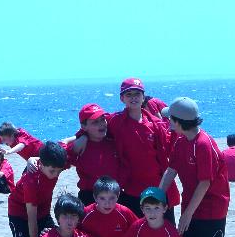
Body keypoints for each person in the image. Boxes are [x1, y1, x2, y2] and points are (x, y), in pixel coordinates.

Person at [159, 97, 230, 237]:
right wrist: (157, 196)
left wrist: (187, 214)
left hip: (212, 210)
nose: (168, 121)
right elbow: (171, 170)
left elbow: (205, 183)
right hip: (191, 206)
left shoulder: (203, 144)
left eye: (170, 118)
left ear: (179, 121)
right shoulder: (181, 141)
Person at [75, 78, 179, 220]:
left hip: (158, 188)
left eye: (137, 94)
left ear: (143, 97)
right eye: (129, 94)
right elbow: (94, 126)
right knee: (136, 229)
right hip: (131, 190)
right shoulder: (115, 121)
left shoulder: (156, 124)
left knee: (165, 229)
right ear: (122, 98)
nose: (133, 98)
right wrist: (83, 136)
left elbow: (169, 151)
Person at [67, 103, 121, 206]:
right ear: (84, 126)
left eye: (102, 119)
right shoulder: (79, 146)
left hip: (115, 194)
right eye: (95, 122)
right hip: (89, 197)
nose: (101, 124)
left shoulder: (113, 140)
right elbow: (58, 157)